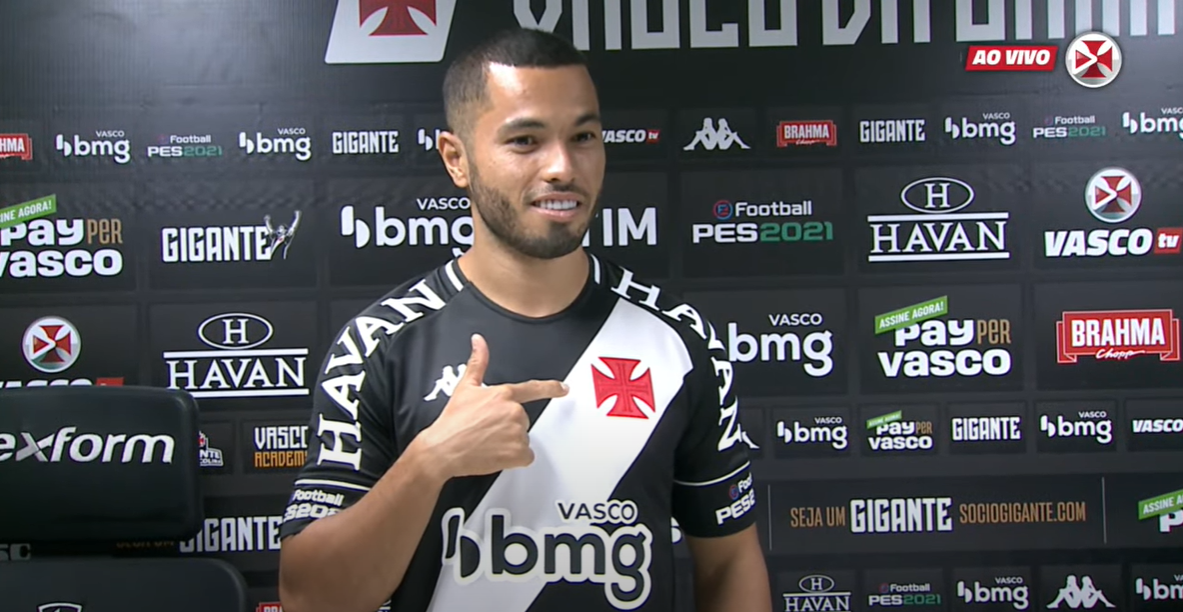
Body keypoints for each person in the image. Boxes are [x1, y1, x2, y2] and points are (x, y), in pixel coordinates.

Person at [276, 27, 772, 612]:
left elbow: (730, 562)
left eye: (583, 137)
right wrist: (430, 461)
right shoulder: (381, 345)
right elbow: (310, 599)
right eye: (525, 141)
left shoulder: (677, 340)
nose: (562, 167)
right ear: (457, 159)